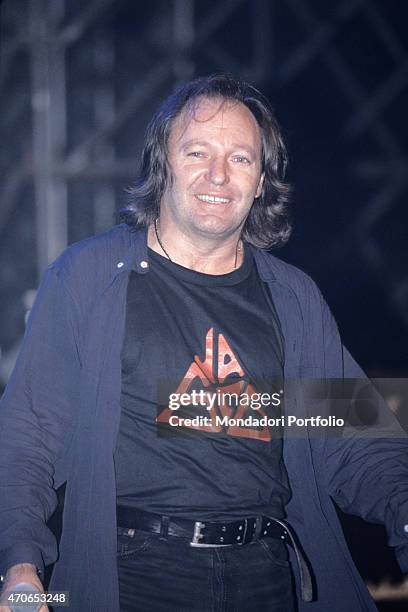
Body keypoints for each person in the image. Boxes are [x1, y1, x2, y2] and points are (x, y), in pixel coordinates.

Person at [0, 74, 407, 612]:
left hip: (267, 575)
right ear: (162, 163)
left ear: (262, 180)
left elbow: (355, 441)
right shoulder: (89, 277)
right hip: (132, 578)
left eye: (241, 158)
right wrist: (21, 567)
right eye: (198, 151)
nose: (219, 174)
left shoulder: (292, 297)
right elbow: (30, 433)